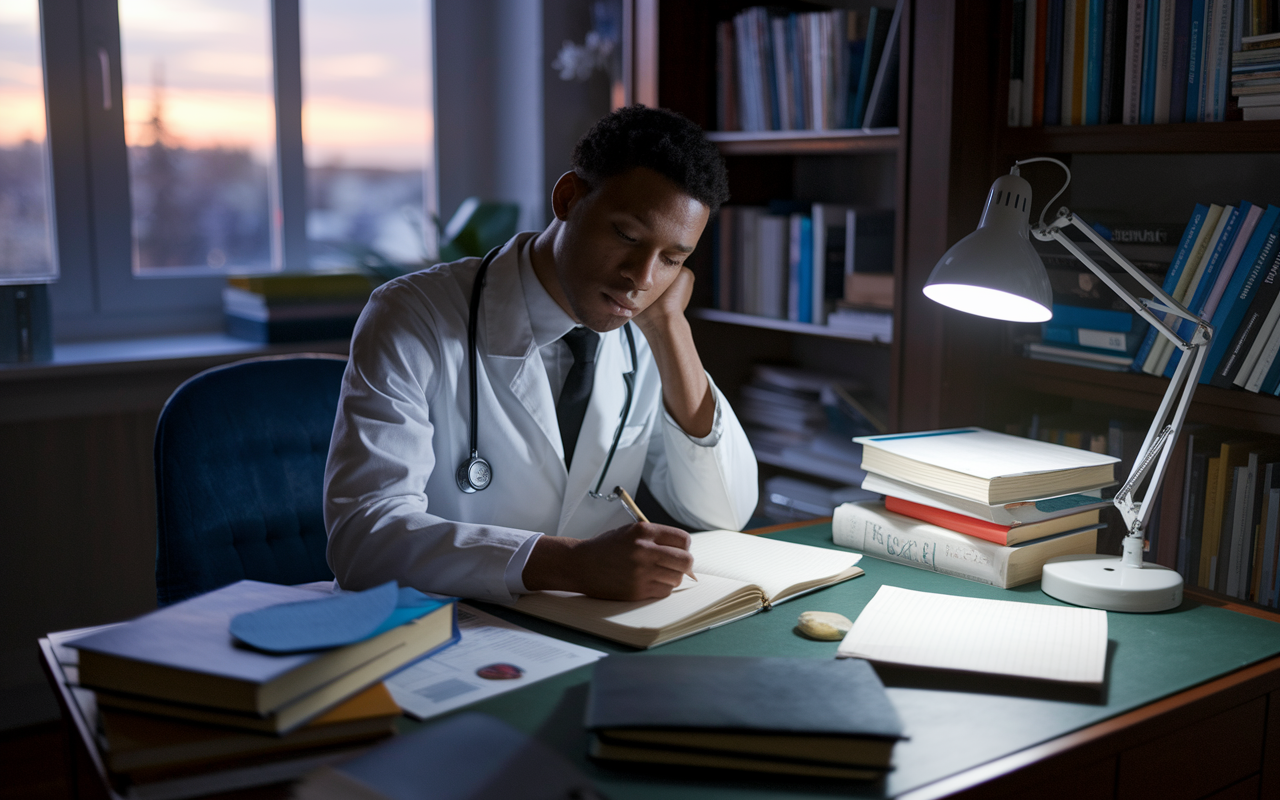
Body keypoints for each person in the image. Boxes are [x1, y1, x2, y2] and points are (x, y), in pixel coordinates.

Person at [324, 105, 757, 605]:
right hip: (437, 628)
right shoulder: (412, 315)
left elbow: (723, 511)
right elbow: (363, 539)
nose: (641, 279)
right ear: (569, 197)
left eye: (671, 259)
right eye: (627, 237)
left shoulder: (644, 329)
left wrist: (670, 328)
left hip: (577, 633)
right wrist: (568, 564)